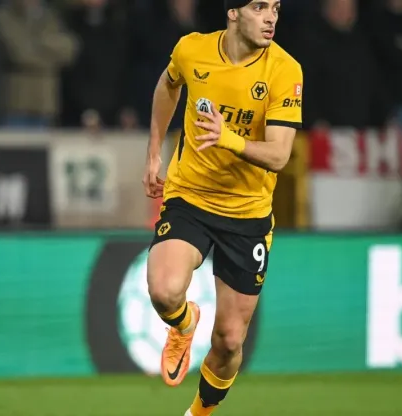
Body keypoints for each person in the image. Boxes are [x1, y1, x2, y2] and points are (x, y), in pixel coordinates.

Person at [141, 1, 302, 415]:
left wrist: (228, 138)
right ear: (233, 12)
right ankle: (183, 323)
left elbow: (280, 155)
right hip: (190, 196)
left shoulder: (284, 70)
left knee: (230, 340)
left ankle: (198, 413)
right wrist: (155, 153)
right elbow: (167, 85)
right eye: (260, 7)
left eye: (276, 9)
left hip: (247, 215)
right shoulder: (192, 50)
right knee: (163, 291)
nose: (271, 18)